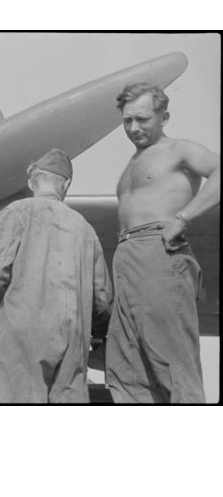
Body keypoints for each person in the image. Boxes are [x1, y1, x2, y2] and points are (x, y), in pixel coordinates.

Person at [106, 82, 220, 404]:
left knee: (172, 358)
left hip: (159, 251)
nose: (133, 127)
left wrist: (184, 217)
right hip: (126, 256)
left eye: (142, 119)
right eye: (127, 121)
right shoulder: (132, 163)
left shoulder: (179, 149)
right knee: (127, 364)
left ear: (164, 116)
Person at [0, 149, 112, 403]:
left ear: (31, 182)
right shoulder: (86, 229)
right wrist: (96, 332)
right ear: (67, 183)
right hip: (74, 337)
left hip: (21, 332)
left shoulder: (16, 213)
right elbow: (102, 299)